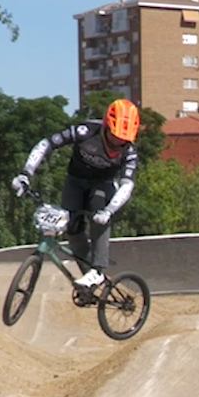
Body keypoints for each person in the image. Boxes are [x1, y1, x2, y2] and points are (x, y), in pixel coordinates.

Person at [11, 99, 141, 290]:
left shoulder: (129, 153)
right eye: (115, 137)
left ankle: (98, 269)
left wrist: (109, 210)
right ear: (106, 126)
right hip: (75, 182)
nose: (118, 144)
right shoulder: (85, 132)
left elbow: (127, 185)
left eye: (124, 140)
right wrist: (26, 173)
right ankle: (88, 280)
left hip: (102, 186)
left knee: (99, 213)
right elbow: (46, 144)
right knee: (72, 230)